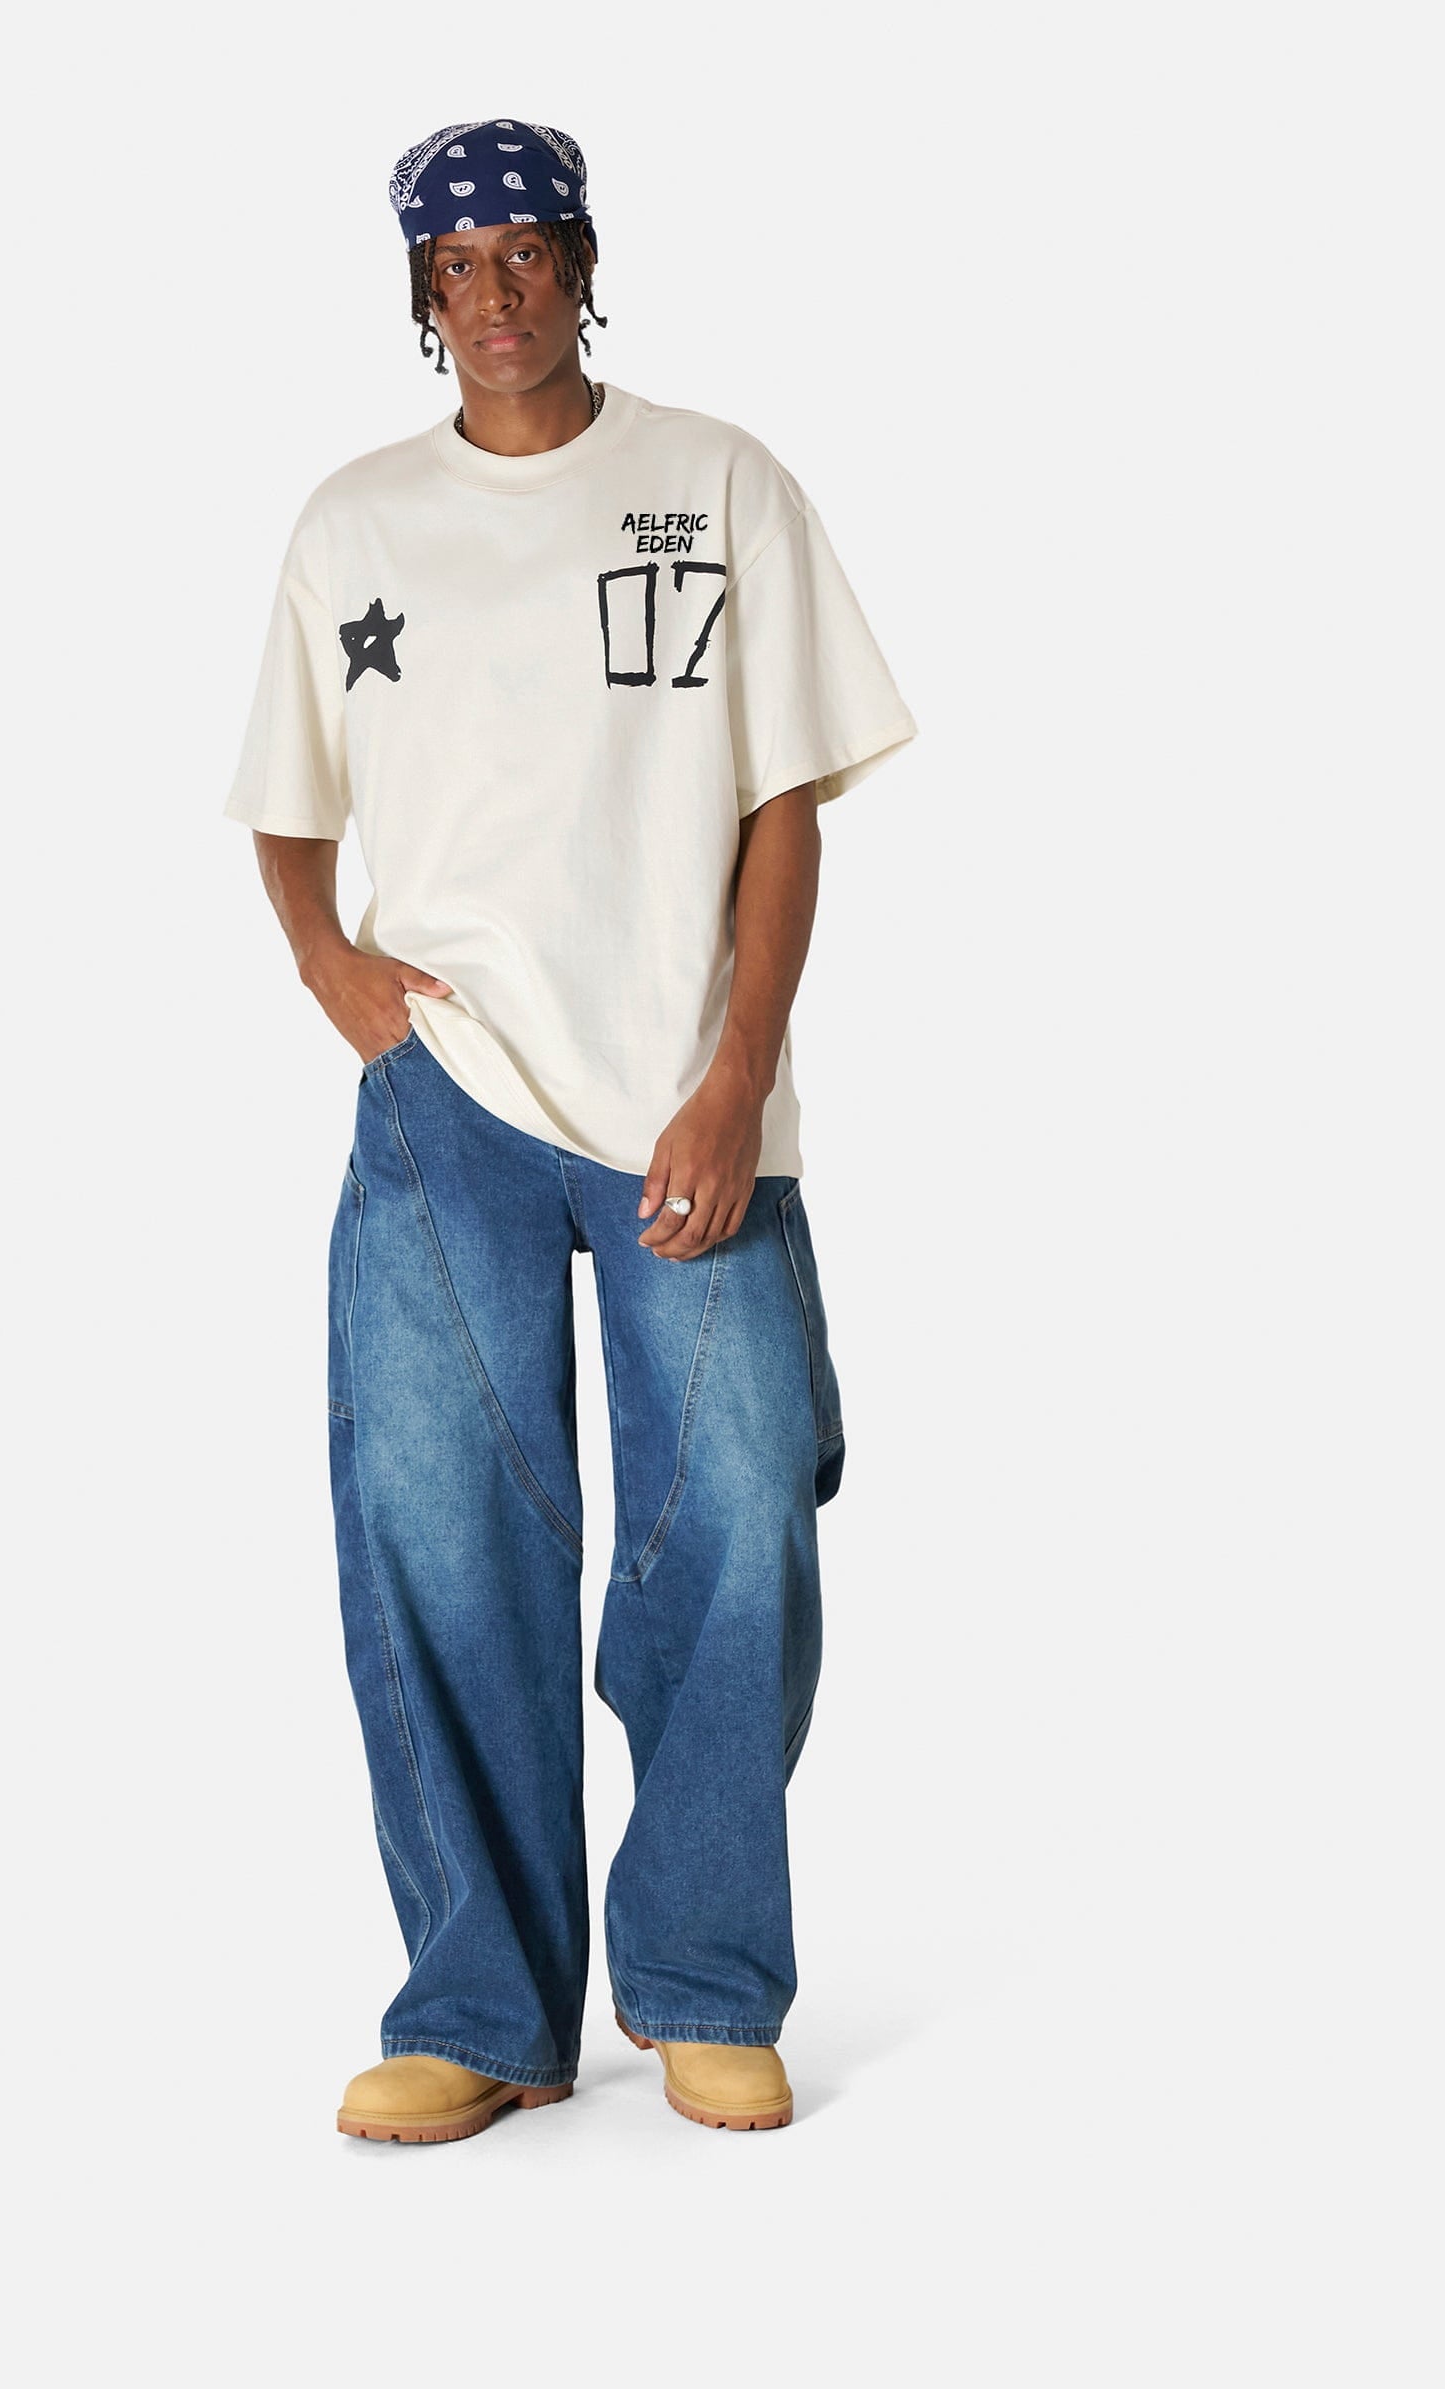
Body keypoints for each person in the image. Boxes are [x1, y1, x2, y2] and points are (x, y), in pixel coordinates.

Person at [223, 118, 916, 2143]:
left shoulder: (721, 483)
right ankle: (480, 2010)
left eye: (528, 252)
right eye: (459, 264)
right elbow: (284, 799)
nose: (497, 292)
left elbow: (784, 805)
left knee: (740, 1528)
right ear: (420, 295)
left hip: (687, 1100)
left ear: (584, 265)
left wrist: (738, 1070)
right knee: (440, 1535)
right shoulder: (356, 525)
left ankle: (702, 1974)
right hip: (445, 1104)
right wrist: (331, 969)